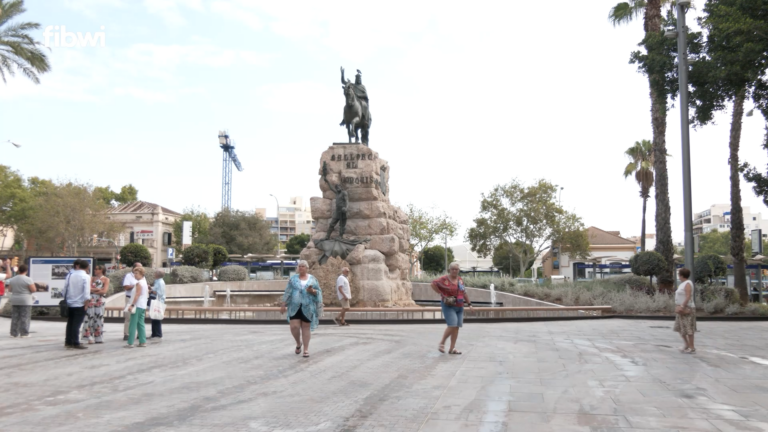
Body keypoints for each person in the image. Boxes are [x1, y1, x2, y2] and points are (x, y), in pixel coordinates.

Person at [280, 260, 322, 358]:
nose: (301, 268)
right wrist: (283, 303)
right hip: (295, 306)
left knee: (306, 327)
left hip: (308, 306)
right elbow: (288, 291)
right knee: (294, 327)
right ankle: (298, 343)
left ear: (306, 268)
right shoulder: (293, 279)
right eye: (300, 266)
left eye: (303, 266)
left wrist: (312, 291)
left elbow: (318, 291)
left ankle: (306, 349)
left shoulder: (312, 279)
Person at [431, 262, 474, 355]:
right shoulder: (444, 279)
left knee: (456, 327)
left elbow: (464, 292)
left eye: (456, 269)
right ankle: (442, 343)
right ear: (449, 270)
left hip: (459, 306)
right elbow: (433, 284)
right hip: (448, 305)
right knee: (452, 324)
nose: (454, 271)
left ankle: (452, 348)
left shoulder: (460, 280)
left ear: (458, 270)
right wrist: (440, 293)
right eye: (453, 269)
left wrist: (469, 304)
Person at [64, 260, 91, 349]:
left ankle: (68, 341)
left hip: (70, 302)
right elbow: (86, 292)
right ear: (87, 267)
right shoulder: (85, 276)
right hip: (80, 303)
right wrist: (86, 303)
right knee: (77, 324)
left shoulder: (70, 275)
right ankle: (75, 342)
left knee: (70, 323)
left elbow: (64, 289)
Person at [7, 264, 36, 338]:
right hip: (25, 300)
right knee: (25, 317)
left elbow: (9, 289)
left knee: (15, 317)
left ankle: (14, 333)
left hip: (15, 299)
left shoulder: (13, 279)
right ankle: (24, 333)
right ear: (26, 270)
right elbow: (33, 290)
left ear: (19, 270)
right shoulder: (28, 279)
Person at [82, 265, 109, 344]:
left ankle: (98, 337)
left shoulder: (106, 279)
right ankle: (88, 336)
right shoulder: (91, 278)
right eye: (95, 269)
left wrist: (94, 290)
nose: (95, 270)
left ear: (101, 270)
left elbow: (104, 291)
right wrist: (97, 289)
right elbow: (88, 289)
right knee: (89, 317)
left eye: (97, 269)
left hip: (100, 300)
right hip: (91, 299)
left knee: (99, 317)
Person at [675, 267, 697, 354]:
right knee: (680, 327)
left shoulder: (688, 283)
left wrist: (683, 306)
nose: (678, 277)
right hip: (680, 307)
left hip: (687, 307)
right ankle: (686, 344)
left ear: (681, 275)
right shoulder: (682, 284)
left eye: (679, 275)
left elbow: (688, 296)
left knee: (688, 328)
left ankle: (692, 347)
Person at [125, 266, 148, 348]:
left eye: (136, 273)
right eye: (134, 273)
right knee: (140, 324)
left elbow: (137, 294)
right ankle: (143, 341)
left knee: (133, 324)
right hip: (142, 305)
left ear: (141, 274)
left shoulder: (139, 283)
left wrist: (132, 305)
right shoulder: (144, 282)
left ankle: (130, 342)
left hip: (137, 305)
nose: (135, 275)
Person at [122, 262, 143, 341]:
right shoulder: (128, 276)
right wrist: (135, 286)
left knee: (139, 317)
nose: (141, 269)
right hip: (130, 298)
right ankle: (126, 334)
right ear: (134, 268)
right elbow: (126, 286)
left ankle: (139, 334)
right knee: (128, 317)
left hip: (139, 299)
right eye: (139, 267)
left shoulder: (142, 277)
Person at [149, 270, 166, 341]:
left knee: (157, 317)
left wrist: (151, 291)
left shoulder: (160, 282)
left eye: (155, 273)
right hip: (155, 300)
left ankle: (158, 334)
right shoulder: (157, 281)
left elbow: (160, 293)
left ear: (157, 275)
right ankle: (154, 333)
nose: (154, 274)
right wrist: (151, 289)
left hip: (158, 301)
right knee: (154, 317)